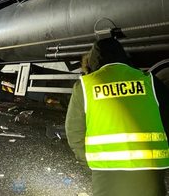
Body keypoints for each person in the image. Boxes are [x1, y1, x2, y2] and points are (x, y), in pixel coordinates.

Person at [65, 37, 169, 196]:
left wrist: (92, 164)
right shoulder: (149, 81)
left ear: (91, 62)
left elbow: (74, 133)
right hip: (151, 174)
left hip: (107, 175)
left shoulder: (85, 86)